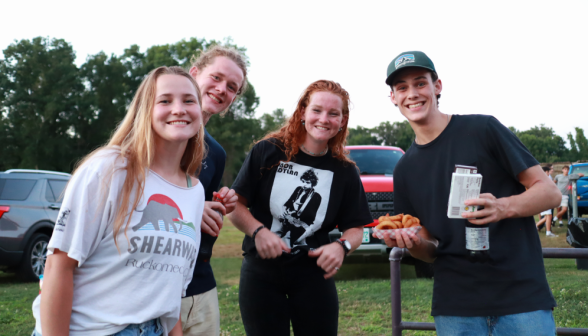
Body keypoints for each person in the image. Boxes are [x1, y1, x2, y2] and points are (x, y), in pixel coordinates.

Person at [380, 51, 562, 335]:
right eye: (402, 87)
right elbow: (429, 249)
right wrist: (411, 243)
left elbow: (550, 194)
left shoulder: (483, 129)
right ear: (393, 97)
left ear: (437, 86)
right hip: (456, 309)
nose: (412, 94)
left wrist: (503, 207)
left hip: (521, 299)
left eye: (420, 83)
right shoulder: (404, 169)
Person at [32, 66, 206, 336]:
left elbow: (170, 294)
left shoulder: (195, 192)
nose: (179, 109)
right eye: (165, 100)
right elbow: (58, 265)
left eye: (188, 100)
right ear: (144, 110)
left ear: (199, 110)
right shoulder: (110, 169)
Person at [228, 80, 372, 336]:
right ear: (303, 112)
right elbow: (236, 205)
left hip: (313, 274)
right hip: (261, 272)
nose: (324, 119)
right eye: (316, 110)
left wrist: (342, 246)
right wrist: (259, 232)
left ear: (342, 120)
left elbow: (356, 228)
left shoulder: (345, 171)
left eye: (333, 113)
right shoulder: (268, 151)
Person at [181, 45, 247, 336]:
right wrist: (195, 207)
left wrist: (221, 203)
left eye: (232, 87)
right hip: (153, 283)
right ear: (194, 73)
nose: (222, 89)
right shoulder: (154, 136)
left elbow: (202, 223)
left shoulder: (216, 153)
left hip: (200, 282)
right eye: (216, 78)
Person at [536, 166, 557, 236]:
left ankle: (535, 227)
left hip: (543, 198)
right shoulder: (544, 179)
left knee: (547, 216)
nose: (549, 173)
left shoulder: (541, 178)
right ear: (545, 171)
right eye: (548, 172)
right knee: (549, 215)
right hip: (544, 198)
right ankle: (548, 232)